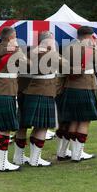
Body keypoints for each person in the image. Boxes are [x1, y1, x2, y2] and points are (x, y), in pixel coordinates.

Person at [15, 31, 65, 167]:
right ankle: (35, 159)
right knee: (42, 126)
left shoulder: (29, 52)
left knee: (22, 126)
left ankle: (18, 157)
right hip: (42, 92)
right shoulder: (48, 54)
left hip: (26, 92)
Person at [58, 26, 97, 162]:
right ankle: (78, 154)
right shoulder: (90, 49)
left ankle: (68, 153)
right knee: (85, 120)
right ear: (89, 36)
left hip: (69, 86)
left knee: (74, 119)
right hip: (84, 86)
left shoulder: (69, 48)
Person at [0, 27, 27, 172]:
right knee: (5, 129)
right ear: (12, 37)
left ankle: (0, 162)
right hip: (6, 92)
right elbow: (29, 67)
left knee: (0, 129)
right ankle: (2, 164)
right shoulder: (15, 50)